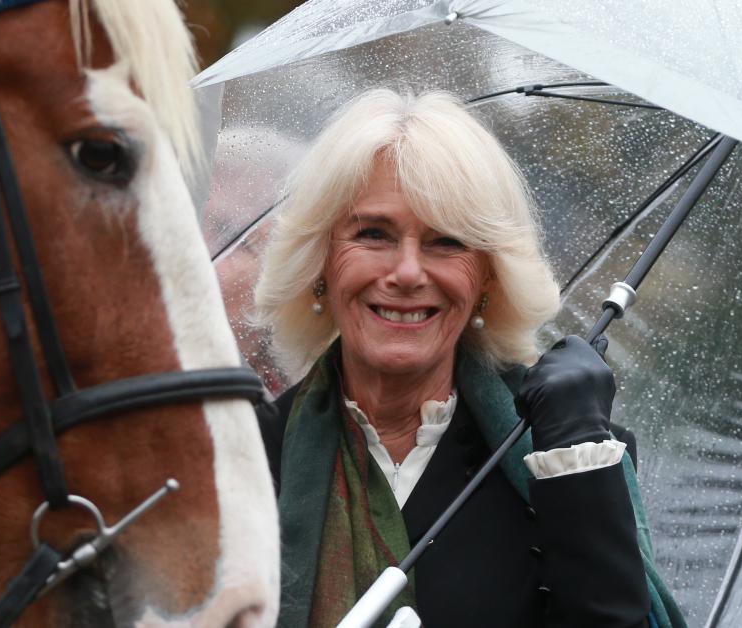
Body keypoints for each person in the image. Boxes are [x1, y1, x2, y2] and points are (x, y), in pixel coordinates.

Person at [252, 89, 685, 628]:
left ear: (487, 278)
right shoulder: (243, 454)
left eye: (446, 242)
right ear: (319, 262)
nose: (408, 273)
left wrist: (578, 462)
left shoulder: (557, 457)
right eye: (373, 234)